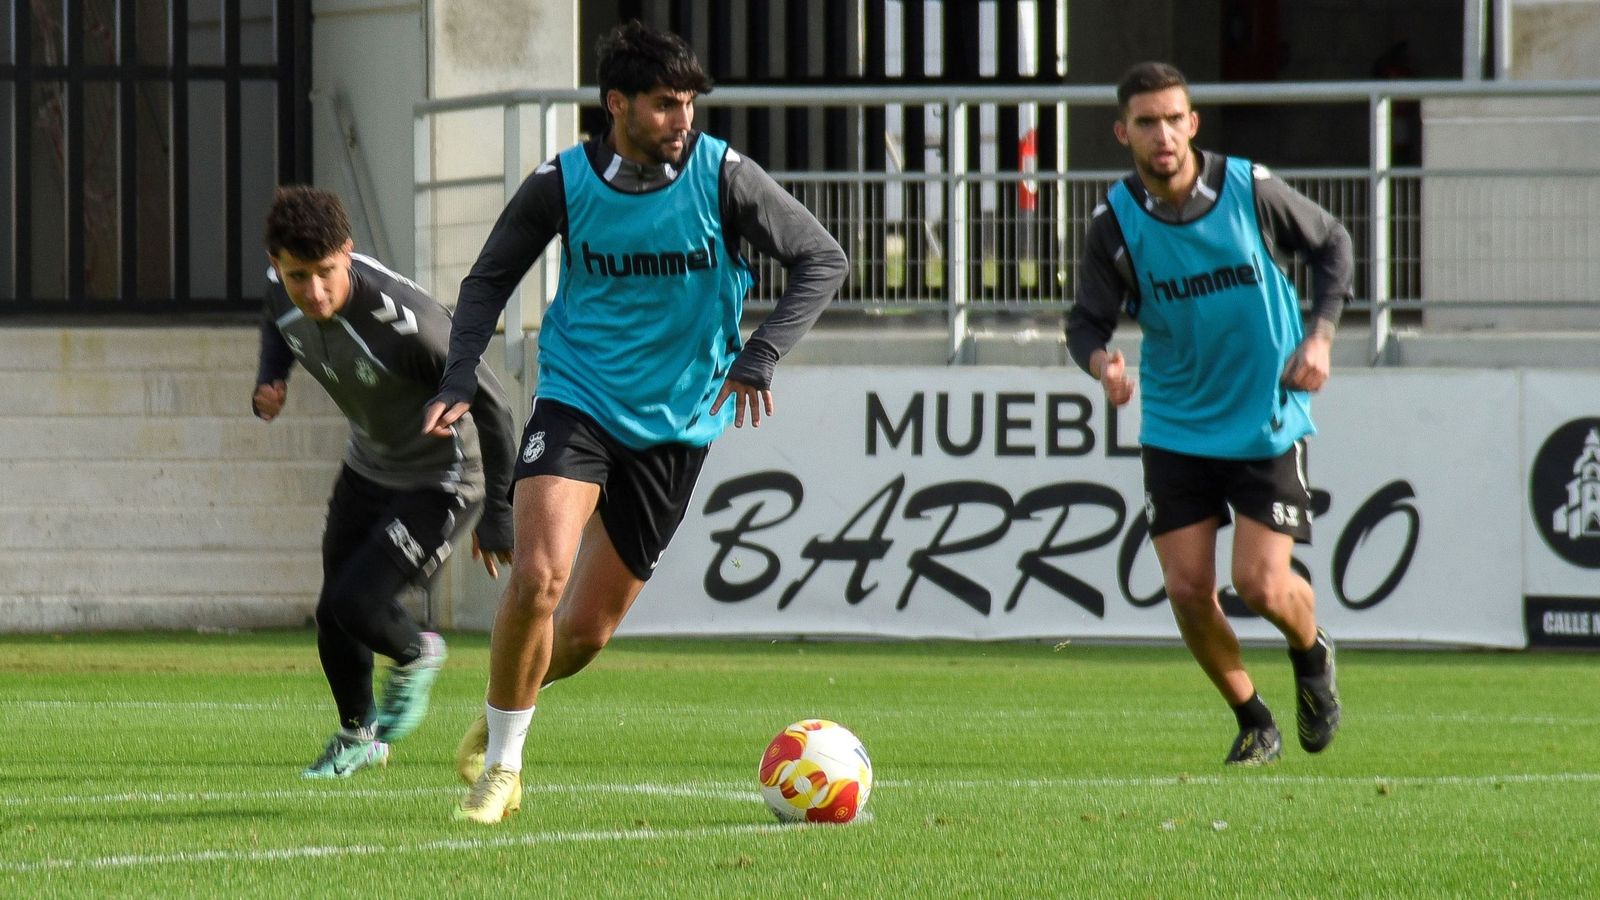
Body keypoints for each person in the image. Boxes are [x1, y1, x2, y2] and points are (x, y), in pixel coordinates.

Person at [424, 21, 847, 823]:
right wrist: (456, 374)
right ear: (616, 104)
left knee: (583, 634)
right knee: (540, 575)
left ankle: (499, 707)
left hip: (677, 426)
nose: (681, 119)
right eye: (663, 104)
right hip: (577, 398)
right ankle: (505, 770)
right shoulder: (562, 183)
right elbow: (485, 284)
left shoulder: (725, 178)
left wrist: (760, 355)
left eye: (688, 103)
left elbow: (822, 259)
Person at [1066, 62, 1350, 767]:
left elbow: (1332, 245)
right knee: (1189, 590)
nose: (1161, 134)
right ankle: (1254, 719)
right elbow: (1085, 324)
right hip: (1176, 422)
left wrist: (1319, 336)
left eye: (1173, 118)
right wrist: (1103, 365)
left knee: (1259, 584)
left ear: (1192, 123)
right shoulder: (1114, 223)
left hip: (1265, 416)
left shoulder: (1249, 190)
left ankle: (1311, 655)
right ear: (1122, 133)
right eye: (1145, 123)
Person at [254, 185, 516, 778]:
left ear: (346, 252)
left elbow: (496, 407)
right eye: (298, 276)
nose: (313, 292)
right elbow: (277, 321)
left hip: (444, 478)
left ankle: (417, 650)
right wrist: (273, 378)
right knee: (332, 613)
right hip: (367, 465)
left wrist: (500, 512)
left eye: (325, 273)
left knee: (358, 601)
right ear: (276, 264)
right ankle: (359, 736)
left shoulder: (408, 322)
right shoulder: (281, 290)